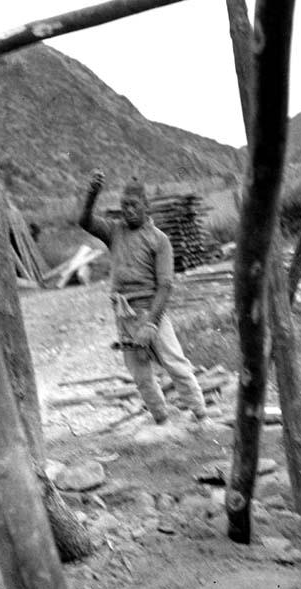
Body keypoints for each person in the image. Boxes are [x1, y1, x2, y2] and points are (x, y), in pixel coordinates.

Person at [79, 171, 209, 426]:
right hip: (124, 313)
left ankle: (201, 413)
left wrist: (151, 323)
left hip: (150, 311)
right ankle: (161, 418)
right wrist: (92, 194)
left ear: (146, 207)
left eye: (133, 205)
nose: (128, 211)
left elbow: (165, 284)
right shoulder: (114, 231)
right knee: (140, 374)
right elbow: (84, 221)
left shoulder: (159, 240)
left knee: (175, 363)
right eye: (124, 205)